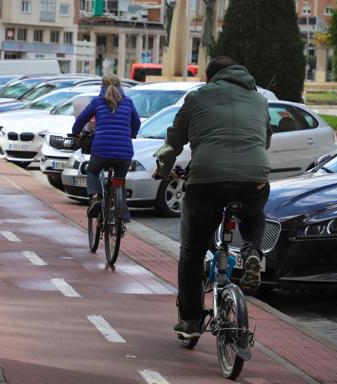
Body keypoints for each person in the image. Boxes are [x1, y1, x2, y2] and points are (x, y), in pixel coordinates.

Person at [153, 56, 272, 338]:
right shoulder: (260, 101)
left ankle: (191, 321)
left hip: (207, 181)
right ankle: (252, 250)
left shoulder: (196, 98)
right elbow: (265, 140)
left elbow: (174, 141)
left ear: (210, 78)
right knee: (254, 211)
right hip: (254, 178)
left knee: (192, 251)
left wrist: (162, 170)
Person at [72, 74, 141, 222]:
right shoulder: (128, 102)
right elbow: (137, 123)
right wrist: (131, 135)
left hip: (101, 150)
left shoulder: (97, 102)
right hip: (124, 152)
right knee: (119, 181)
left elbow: (81, 120)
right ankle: (121, 217)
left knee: (92, 170)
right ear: (120, 85)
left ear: (102, 86)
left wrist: (75, 133)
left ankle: (95, 197)